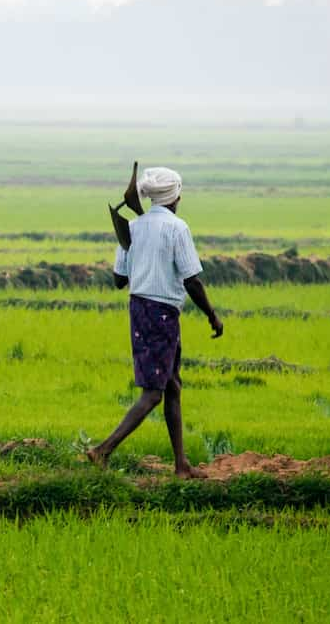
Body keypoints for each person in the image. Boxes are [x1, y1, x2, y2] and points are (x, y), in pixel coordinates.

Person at [87, 166, 224, 478]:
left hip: (140, 308)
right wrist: (212, 315)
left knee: (172, 384)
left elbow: (119, 280)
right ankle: (102, 450)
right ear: (176, 196)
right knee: (153, 393)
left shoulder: (132, 228)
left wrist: (134, 252)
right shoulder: (177, 229)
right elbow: (192, 280)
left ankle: (181, 465)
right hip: (162, 314)